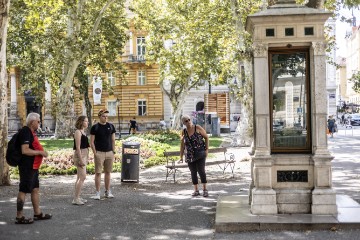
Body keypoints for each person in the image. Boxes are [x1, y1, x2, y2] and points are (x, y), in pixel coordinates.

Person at [15, 112, 51, 224]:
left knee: (35, 189)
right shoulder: (26, 132)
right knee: (23, 190)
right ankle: (19, 216)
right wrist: (40, 152)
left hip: (33, 167)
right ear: (32, 122)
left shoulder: (31, 132)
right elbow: (24, 150)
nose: (40, 123)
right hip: (27, 167)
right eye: (38, 121)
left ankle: (37, 213)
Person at [179, 115, 209, 197]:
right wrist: (181, 157)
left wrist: (206, 149)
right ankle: (196, 190)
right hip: (190, 155)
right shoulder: (184, 132)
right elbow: (182, 145)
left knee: (201, 171)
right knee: (193, 172)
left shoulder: (197, 127)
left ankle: (205, 189)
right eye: (186, 121)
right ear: (183, 123)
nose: (188, 121)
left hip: (200, 153)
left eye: (189, 120)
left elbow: (206, 137)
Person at [90, 109, 116, 200]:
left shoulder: (111, 126)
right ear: (99, 117)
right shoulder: (95, 127)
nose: (105, 118)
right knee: (98, 173)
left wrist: (113, 151)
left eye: (107, 116)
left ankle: (107, 191)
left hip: (109, 152)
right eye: (104, 116)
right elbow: (92, 142)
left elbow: (113, 140)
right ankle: (97, 193)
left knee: (108, 172)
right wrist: (95, 152)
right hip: (99, 153)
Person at [72, 116, 90, 205]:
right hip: (80, 155)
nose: (87, 123)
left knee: (79, 177)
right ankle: (76, 199)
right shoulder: (78, 132)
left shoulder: (83, 131)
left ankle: (77, 197)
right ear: (81, 122)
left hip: (84, 154)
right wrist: (80, 159)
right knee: (83, 177)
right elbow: (78, 147)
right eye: (86, 121)